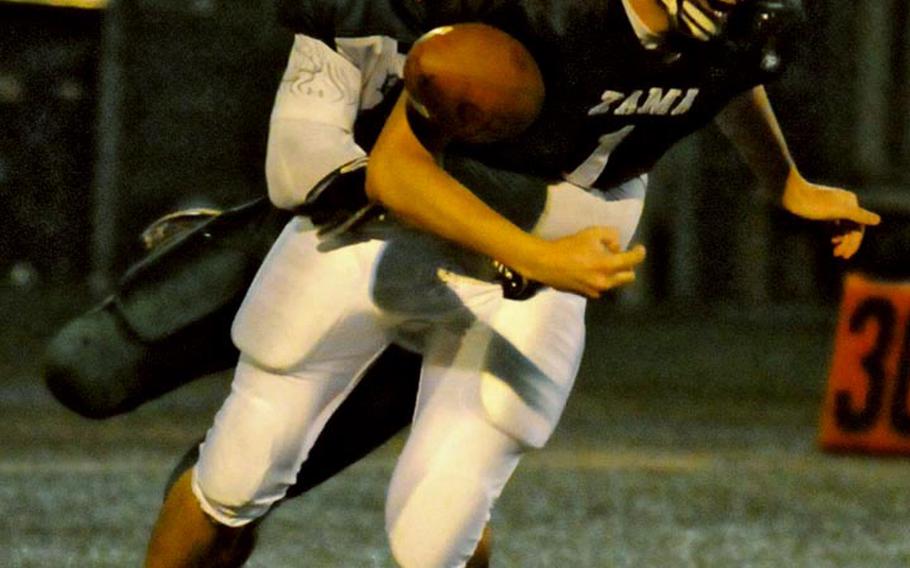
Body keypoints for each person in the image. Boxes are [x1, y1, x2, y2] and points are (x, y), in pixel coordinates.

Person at [141, 0, 881, 566]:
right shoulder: (534, 12)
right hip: (401, 219)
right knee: (241, 467)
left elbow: (723, 76)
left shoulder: (735, 27)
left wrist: (786, 182)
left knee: (438, 528)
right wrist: (532, 257)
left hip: (559, 223)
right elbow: (398, 169)